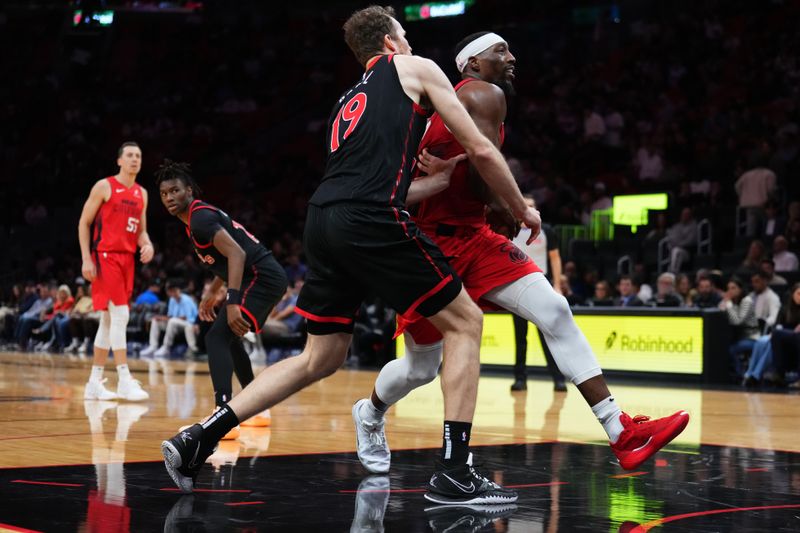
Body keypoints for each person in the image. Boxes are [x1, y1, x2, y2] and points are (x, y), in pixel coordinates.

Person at [162, 6, 543, 506]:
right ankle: (454, 471)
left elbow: (383, 179)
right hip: (370, 218)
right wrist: (522, 208)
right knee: (466, 321)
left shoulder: (347, 103)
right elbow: (484, 150)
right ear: (389, 43)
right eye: (404, 37)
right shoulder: (415, 68)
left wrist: (440, 181)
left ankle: (198, 437)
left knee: (319, 357)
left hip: (323, 220)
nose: (409, 44)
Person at [344, 28, 687, 491]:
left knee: (555, 309)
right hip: (429, 243)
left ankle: (619, 430)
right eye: (499, 51)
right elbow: (485, 176)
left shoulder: (442, 105)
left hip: (474, 236)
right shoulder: (482, 95)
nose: (511, 57)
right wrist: (516, 204)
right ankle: (370, 412)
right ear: (471, 65)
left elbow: (472, 179)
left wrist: (474, 186)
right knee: (421, 368)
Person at [155, 159, 287, 435]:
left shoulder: (200, 219)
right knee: (230, 340)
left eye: (175, 190)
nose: (169, 197)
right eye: (164, 193)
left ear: (189, 190)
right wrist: (212, 291)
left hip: (260, 278)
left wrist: (232, 301)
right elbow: (226, 259)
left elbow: (237, 254)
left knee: (216, 337)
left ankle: (221, 418)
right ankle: (256, 407)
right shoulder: (194, 219)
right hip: (263, 276)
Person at [78, 142, 153, 401]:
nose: (135, 159)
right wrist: (87, 258)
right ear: (119, 160)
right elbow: (84, 222)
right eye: (130, 155)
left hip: (127, 260)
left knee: (109, 321)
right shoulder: (105, 186)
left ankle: (94, 383)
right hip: (105, 257)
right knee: (120, 314)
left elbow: (140, 230)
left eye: (138, 156)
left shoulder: (142, 194)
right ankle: (124, 378)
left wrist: (148, 244)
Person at [510, 196, 566, 392]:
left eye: (532, 205)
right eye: (525, 205)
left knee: (547, 334)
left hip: (541, 285)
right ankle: (520, 379)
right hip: (516, 286)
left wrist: (557, 285)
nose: (529, 208)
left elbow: (555, 258)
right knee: (520, 337)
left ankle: (558, 378)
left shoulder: (547, 231)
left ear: (537, 209)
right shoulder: (511, 229)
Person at [140, 281, 199, 358]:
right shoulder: (172, 300)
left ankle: (166, 347)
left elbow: (186, 317)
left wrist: (167, 318)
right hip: (174, 324)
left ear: (177, 290)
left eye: (174, 290)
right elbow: (170, 315)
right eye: (170, 291)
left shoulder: (186, 300)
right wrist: (162, 318)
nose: (172, 293)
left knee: (172, 321)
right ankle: (153, 346)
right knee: (156, 321)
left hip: (188, 324)